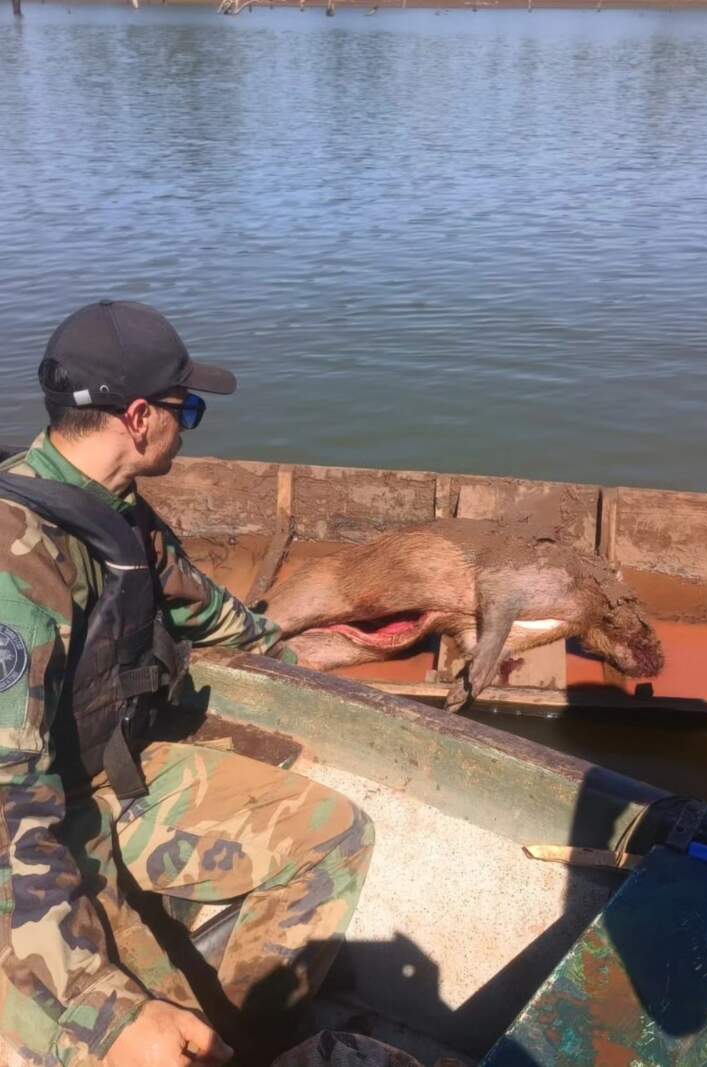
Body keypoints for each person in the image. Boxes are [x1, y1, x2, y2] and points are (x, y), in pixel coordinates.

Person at [0, 301, 374, 1067]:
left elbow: (210, 612)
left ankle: (243, 1038)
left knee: (332, 830)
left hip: (111, 767)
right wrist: (96, 1008)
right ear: (140, 418)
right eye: (188, 409)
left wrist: (298, 667)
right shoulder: (18, 564)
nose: (190, 425)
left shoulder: (115, 514)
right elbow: (7, 803)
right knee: (126, 1006)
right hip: (49, 806)